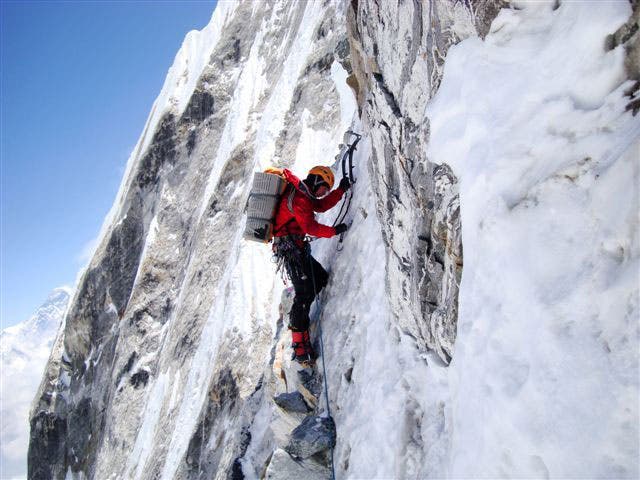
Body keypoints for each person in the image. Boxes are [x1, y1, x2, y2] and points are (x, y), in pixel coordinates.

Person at [272, 165, 350, 365]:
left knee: (320, 278)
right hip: (290, 251)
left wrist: (340, 191)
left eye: (327, 191)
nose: (325, 193)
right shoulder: (299, 198)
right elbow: (310, 227)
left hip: (295, 248)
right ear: (316, 180)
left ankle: (304, 315)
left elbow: (320, 206)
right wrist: (334, 231)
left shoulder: (304, 195)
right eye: (325, 189)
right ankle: (300, 349)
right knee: (304, 294)